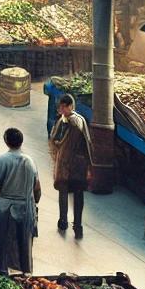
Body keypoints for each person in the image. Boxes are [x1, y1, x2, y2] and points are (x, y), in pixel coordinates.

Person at [0, 127, 42, 273]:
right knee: (24, 244)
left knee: (2, 243)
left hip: (6, 208)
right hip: (26, 207)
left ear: (6, 141)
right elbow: (37, 188)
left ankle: (1, 272)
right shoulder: (30, 161)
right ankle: (24, 274)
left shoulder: (3, 159)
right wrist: (33, 204)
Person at [50, 94, 93, 238]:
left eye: (64, 107)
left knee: (73, 192)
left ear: (70, 107)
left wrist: (88, 167)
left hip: (74, 164)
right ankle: (66, 221)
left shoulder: (75, 122)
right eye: (60, 107)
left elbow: (61, 141)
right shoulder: (65, 120)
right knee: (68, 192)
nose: (61, 109)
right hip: (69, 163)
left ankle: (74, 224)